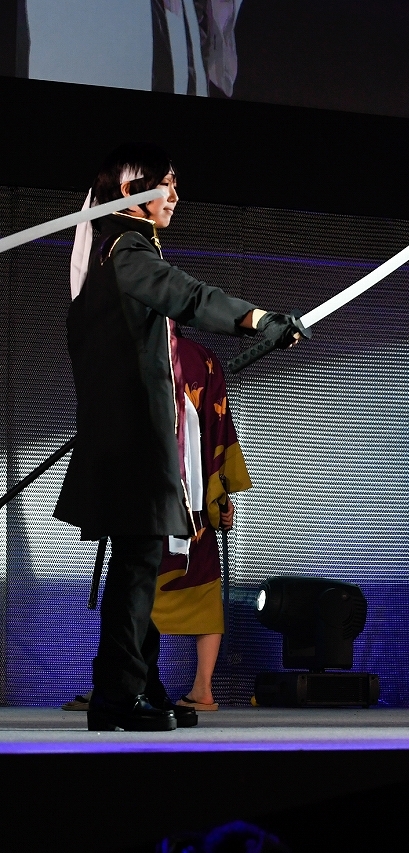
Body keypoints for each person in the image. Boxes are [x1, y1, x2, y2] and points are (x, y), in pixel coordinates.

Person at [54, 142, 304, 732]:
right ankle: (118, 697)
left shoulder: (105, 253)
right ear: (130, 191)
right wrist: (256, 318)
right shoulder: (125, 249)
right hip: (132, 441)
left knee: (135, 567)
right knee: (136, 569)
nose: (174, 195)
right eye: (166, 183)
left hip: (122, 438)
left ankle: (137, 686)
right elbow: (185, 295)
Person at [151, 333, 250, 712]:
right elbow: (217, 430)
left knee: (137, 589)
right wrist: (218, 493)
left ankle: (128, 684)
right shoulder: (202, 358)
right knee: (182, 585)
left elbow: (214, 424)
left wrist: (219, 499)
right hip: (188, 497)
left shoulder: (133, 352)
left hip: (158, 497)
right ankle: (199, 687)